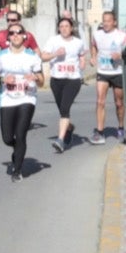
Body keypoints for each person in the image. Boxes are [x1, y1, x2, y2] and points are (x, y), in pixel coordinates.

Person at [0, 24, 42, 180]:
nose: (16, 35)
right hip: (7, 99)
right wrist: (2, 78)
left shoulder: (32, 56)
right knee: (7, 138)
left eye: (19, 32)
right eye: (12, 33)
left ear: (25, 36)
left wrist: (35, 78)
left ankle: (17, 171)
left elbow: (41, 80)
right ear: (8, 37)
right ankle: (17, 150)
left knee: (20, 134)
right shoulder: (1, 55)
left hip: (27, 98)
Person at [40, 15, 86, 153]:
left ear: (71, 28)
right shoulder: (53, 41)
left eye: (67, 26)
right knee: (62, 110)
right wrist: (55, 54)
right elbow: (43, 57)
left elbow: (82, 55)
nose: (64, 29)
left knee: (65, 109)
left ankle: (60, 140)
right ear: (58, 29)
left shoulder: (78, 42)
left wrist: (82, 63)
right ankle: (69, 127)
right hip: (56, 80)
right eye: (61, 27)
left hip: (73, 80)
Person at [90, 10, 126, 143]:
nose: (106, 23)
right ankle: (100, 132)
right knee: (100, 101)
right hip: (103, 72)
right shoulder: (97, 34)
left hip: (117, 71)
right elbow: (94, 46)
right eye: (104, 20)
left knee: (119, 103)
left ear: (114, 22)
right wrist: (93, 57)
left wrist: (121, 55)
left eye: (108, 21)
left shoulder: (122, 36)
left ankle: (121, 127)